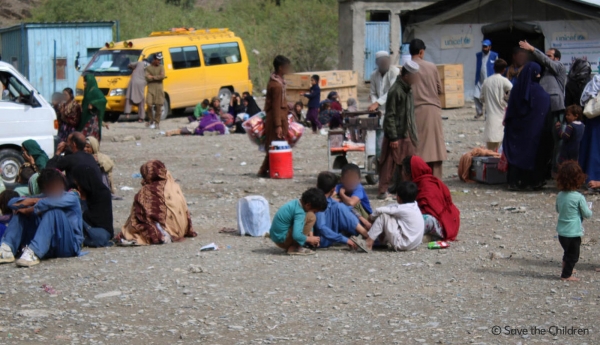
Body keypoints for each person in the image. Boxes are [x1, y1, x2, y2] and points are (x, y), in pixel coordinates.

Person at [0, 169, 83, 267]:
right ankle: (7, 249)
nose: (57, 189)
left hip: (68, 246)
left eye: (58, 185)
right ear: (44, 190)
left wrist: (30, 208)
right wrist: (32, 201)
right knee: (20, 213)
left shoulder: (71, 197)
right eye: (51, 187)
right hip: (49, 248)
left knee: (54, 212)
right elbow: (12, 203)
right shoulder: (42, 197)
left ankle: (34, 252)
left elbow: (48, 203)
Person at [116, 160, 196, 245]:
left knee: (135, 224)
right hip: (181, 230)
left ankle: (162, 235)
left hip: (166, 230)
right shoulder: (174, 186)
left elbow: (145, 215)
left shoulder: (148, 190)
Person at [519, 40, 566, 174]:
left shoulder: (559, 67)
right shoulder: (544, 72)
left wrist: (533, 49)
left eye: (549, 56)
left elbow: (546, 61)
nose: (546, 58)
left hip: (555, 107)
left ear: (556, 58)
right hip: (544, 109)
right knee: (545, 138)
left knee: (557, 138)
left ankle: (556, 168)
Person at [503, 62, 551, 191]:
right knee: (533, 154)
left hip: (515, 131)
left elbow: (510, 112)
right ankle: (531, 182)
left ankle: (514, 181)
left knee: (516, 153)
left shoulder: (516, 90)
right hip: (534, 132)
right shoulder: (541, 94)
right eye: (538, 72)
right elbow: (545, 111)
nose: (539, 75)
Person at [378, 60, 420, 200]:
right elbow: (390, 115)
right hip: (395, 134)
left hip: (406, 133)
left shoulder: (407, 89)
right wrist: (394, 137)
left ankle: (403, 190)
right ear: (406, 76)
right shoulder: (396, 90)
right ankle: (383, 191)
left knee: (406, 164)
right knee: (389, 164)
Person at [409, 39, 447, 179]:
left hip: (414, 112)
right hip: (432, 110)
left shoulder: (406, 68)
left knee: (418, 148)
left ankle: (419, 179)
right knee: (435, 148)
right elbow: (439, 89)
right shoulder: (431, 67)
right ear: (421, 52)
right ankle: (436, 182)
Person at [402, 155, 460, 241]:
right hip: (443, 222)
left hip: (441, 224)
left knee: (416, 220)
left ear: (409, 173)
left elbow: (431, 211)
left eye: (403, 171)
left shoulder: (427, 185)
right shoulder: (421, 183)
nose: (401, 174)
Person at [555, 161, 592, 281]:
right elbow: (587, 214)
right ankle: (566, 275)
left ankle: (567, 268)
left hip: (561, 232)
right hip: (573, 232)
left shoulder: (560, 195)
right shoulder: (579, 197)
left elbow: (557, 209)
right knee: (573, 255)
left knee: (567, 252)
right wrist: (589, 208)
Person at [313, 172, 369, 249]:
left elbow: (347, 208)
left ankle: (366, 234)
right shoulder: (319, 204)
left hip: (329, 234)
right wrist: (346, 240)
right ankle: (366, 235)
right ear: (333, 189)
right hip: (320, 240)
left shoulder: (328, 200)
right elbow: (321, 228)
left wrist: (363, 219)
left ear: (317, 185)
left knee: (342, 207)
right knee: (340, 207)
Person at [257, 56, 291, 177]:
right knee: (275, 143)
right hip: (277, 119)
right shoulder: (276, 85)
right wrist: (278, 125)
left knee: (276, 143)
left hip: (280, 117)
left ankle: (267, 169)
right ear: (281, 68)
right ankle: (265, 170)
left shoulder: (278, 82)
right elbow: (276, 106)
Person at [366, 181, 424, 251]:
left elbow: (379, 210)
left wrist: (371, 217)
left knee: (383, 217)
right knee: (390, 216)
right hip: (414, 244)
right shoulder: (414, 205)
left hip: (403, 244)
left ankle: (368, 243)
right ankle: (381, 242)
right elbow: (392, 207)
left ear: (398, 198)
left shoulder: (401, 209)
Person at [268, 188, 327, 255]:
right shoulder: (300, 213)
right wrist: (310, 239)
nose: (315, 212)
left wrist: (311, 236)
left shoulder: (297, 203)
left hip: (276, 236)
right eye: (315, 211)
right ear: (308, 205)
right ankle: (295, 247)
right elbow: (296, 235)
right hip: (282, 240)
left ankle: (295, 245)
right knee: (311, 217)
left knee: (310, 216)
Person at [71, 165, 113, 247]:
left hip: (99, 230)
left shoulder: (102, 193)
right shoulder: (76, 189)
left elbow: (95, 219)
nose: (76, 183)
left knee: (99, 239)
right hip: (84, 228)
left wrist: (81, 201)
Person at [480, 59, 512, 151]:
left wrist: (489, 99)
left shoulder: (487, 81)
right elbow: (513, 91)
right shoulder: (504, 81)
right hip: (501, 115)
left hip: (490, 117)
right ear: (504, 70)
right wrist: (505, 99)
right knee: (500, 147)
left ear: (494, 68)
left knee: (490, 149)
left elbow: (481, 97)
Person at [336, 164, 372, 229]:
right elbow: (327, 198)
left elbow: (351, 203)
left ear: (359, 180)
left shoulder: (359, 188)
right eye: (348, 179)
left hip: (364, 217)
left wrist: (342, 195)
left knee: (348, 204)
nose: (351, 182)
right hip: (350, 216)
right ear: (342, 179)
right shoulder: (339, 187)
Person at [579, 75, 600, 183]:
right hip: (596, 122)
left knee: (593, 148)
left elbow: (583, 99)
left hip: (594, 120)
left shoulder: (595, 80)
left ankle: (590, 177)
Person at [474, 39, 498, 119]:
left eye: (485, 47)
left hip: (489, 81)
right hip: (480, 80)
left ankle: (487, 115)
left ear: (489, 47)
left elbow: (497, 67)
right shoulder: (478, 55)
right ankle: (479, 112)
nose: (484, 48)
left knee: (488, 98)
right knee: (476, 96)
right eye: (483, 46)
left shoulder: (494, 55)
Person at [79, 74, 107, 141]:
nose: (84, 83)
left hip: (91, 118)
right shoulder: (87, 90)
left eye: (86, 81)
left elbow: (103, 100)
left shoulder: (95, 91)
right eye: (84, 81)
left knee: (89, 135)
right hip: (85, 116)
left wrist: (93, 103)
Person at [145, 53, 166, 129]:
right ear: (154, 59)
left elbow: (162, 76)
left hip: (159, 89)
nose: (159, 61)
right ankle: (151, 120)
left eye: (160, 59)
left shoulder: (161, 67)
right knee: (149, 104)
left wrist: (153, 77)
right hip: (151, 88)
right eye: (158, 59)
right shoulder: (148, 68)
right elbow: (147, 77)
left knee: (158, 106)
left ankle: (157, 122)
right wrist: (157, 77)